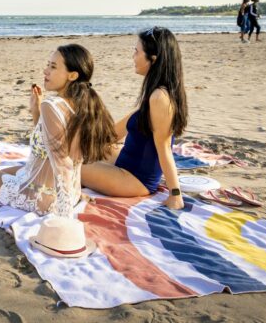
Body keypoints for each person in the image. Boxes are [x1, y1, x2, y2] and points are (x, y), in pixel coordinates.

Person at [0, 45, 116, 216]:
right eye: (48, 65)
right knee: (11, 170)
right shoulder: (86, 105)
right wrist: (36, 110)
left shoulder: (52, 105)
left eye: (53, 67)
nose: (46, 71)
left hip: (42, 198)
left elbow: (63, 164)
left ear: (72, 75)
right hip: (68, 192)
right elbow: (53, 142)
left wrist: (64, 215)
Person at [79, 27, 189, 210]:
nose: (133, 56)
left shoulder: (159, 98)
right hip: (127, 165)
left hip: (134, 180)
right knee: (83, 151)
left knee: (68, 165)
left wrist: (175, 194)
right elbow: (113, 134)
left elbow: (164, 148)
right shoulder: (156, 93)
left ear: (153, 60)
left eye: (137, 52)